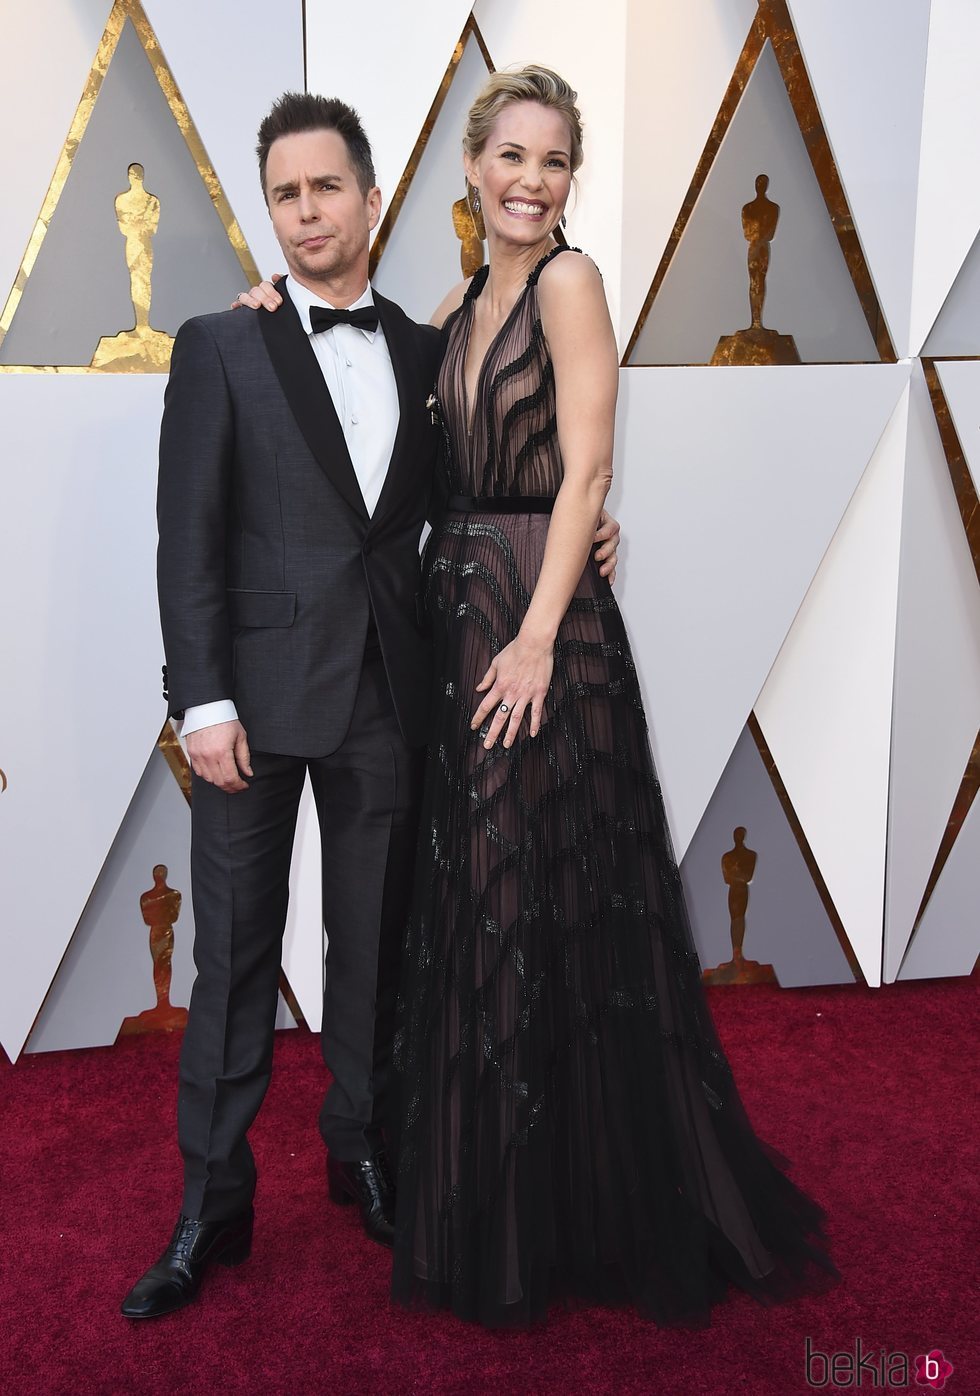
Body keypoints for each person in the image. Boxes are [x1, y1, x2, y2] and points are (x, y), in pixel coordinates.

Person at [121, 90, 618, 1321]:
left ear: (370, 195)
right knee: (232, 960)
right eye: (284, 193)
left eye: (325, 187)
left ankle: (362, 1150)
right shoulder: (220, 341)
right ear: (269, 207)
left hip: (393, 700)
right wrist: (202, 704)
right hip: (250, 712)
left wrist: (586, 523)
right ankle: (209, 1206)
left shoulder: (422, 345)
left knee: (375, 957)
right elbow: (185, 542)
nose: (306, 213)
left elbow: (499, 480)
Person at [387, 66, 839, 1328]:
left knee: (552, 894)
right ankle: (512, 1197)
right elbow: (396, 426)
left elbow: (585, 471)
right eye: (512, 156)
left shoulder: (570, 285)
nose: (533, 181)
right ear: (471, 168)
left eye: (555, 160)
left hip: (541, 627)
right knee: (488, 904)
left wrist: (534, 640)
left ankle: (586, 1201)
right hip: (462, 619)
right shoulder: (451, 300)